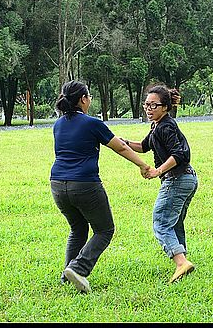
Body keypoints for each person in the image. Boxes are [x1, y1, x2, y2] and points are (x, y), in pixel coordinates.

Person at [50, 80, 151, 294]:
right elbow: (121, 148)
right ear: (83, 99)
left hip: (57, 185)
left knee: (77, 229)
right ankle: (78, 269)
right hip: (85, 184)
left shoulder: (58, 124)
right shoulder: (92, 123)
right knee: (105, 230)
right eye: (89, 97)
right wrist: (143, 165)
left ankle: (67, 276)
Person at [120, 85, 198, 284]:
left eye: (154, 105)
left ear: (165, 107)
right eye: (146, 104)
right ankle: (183, 258)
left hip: (177, 179)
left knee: (161, 222)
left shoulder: (166, 126)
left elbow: (179, 154)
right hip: (187, 179)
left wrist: (158, 171)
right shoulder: (157, 125)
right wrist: (123, 142)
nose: (148, 108)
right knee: (175, 222)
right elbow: (145, 146)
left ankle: (181, 262)